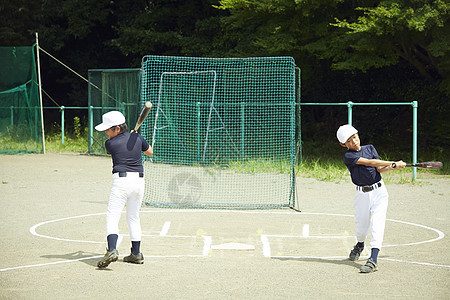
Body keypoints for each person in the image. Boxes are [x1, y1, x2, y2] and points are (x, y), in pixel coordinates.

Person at [336, 124, 406, 273]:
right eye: (349, 141)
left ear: (358, 135)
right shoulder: (349, 156)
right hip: (362, 195)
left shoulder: (370, 148)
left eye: (354, 137)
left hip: (379, 192)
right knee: (361, 227)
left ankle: (373, 259)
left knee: (377, 223)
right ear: (343, 145)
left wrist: (394, 166)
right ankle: (360, 244)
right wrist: (393, 162)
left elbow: (379, 168)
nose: (354, 142)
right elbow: (371, 163)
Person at [95, 111, 153, 269]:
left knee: (112, 216)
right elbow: (150, 152)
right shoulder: (136, 137)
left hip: (122, 182)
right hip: (139, 182)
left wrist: (133, 138)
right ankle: (136, 253)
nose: (106, 133)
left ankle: (112, 250)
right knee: (133, 217)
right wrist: (137, 139)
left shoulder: (110, 144)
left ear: (118, 129)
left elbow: (122, 144)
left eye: (108, 129)